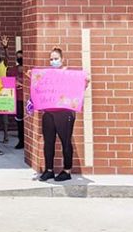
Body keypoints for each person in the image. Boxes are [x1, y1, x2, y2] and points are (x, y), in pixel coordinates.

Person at [36, 47, 90, 182]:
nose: (53, 61)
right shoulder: (46, 74)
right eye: (51, 59)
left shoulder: (68, 74)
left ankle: (67, 170)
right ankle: (49, 170)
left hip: (64, 114)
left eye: (56, 59)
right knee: (48, 142)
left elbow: (80, 87)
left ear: (62, 59)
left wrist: (86, 81)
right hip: (49, 113)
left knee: (66, 142)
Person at [14, 48, 25, 149]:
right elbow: (8, 81)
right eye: (18, 57)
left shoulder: (28, 69)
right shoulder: (14, 69)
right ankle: (21, 140)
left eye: (21, 56)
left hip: (26, 100)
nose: (19, 58)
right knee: (19, 121)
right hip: (17, 99)